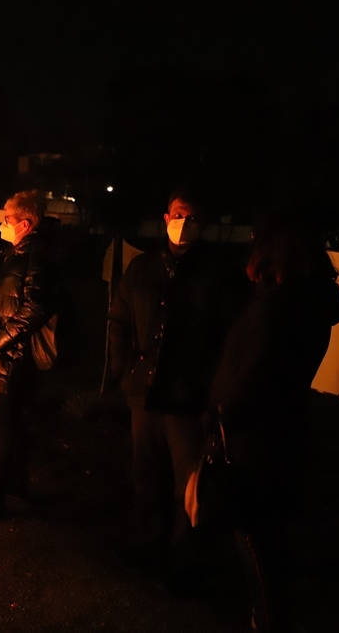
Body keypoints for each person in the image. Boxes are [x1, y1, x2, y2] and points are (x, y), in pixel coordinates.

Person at [208, 208, 339, 632]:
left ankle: (267, 620)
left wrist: (222, 412)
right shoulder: (308, 301)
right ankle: (271, 613)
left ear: (275, 250)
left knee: (254, 535)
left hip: (256, 441)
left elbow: (253, 376)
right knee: (268, 535)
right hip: (281, 432)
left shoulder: (279, 308)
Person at [107, 188, 247, 580]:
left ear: (203, 225)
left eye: (193, 218)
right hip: (144, 395)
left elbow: (231, 341)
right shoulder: (142, 268)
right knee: (146, 478)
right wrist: (123, 371)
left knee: (188, 486)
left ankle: (183, 562)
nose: (184, 224)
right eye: (179, 215)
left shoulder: (219, 276)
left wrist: (206, 386)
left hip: (187, 401)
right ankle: (148, 545)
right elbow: (118, 319)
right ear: (166, 218)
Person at [0, 189, 59, 520]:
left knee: (1, 423)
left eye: (8, 219)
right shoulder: (15, 253)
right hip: (6, 354)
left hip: (16, 358)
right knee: (12, 421)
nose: (3, 225)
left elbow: (35, 307)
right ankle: (18, 485)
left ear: (26, 224)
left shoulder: (37, 257)